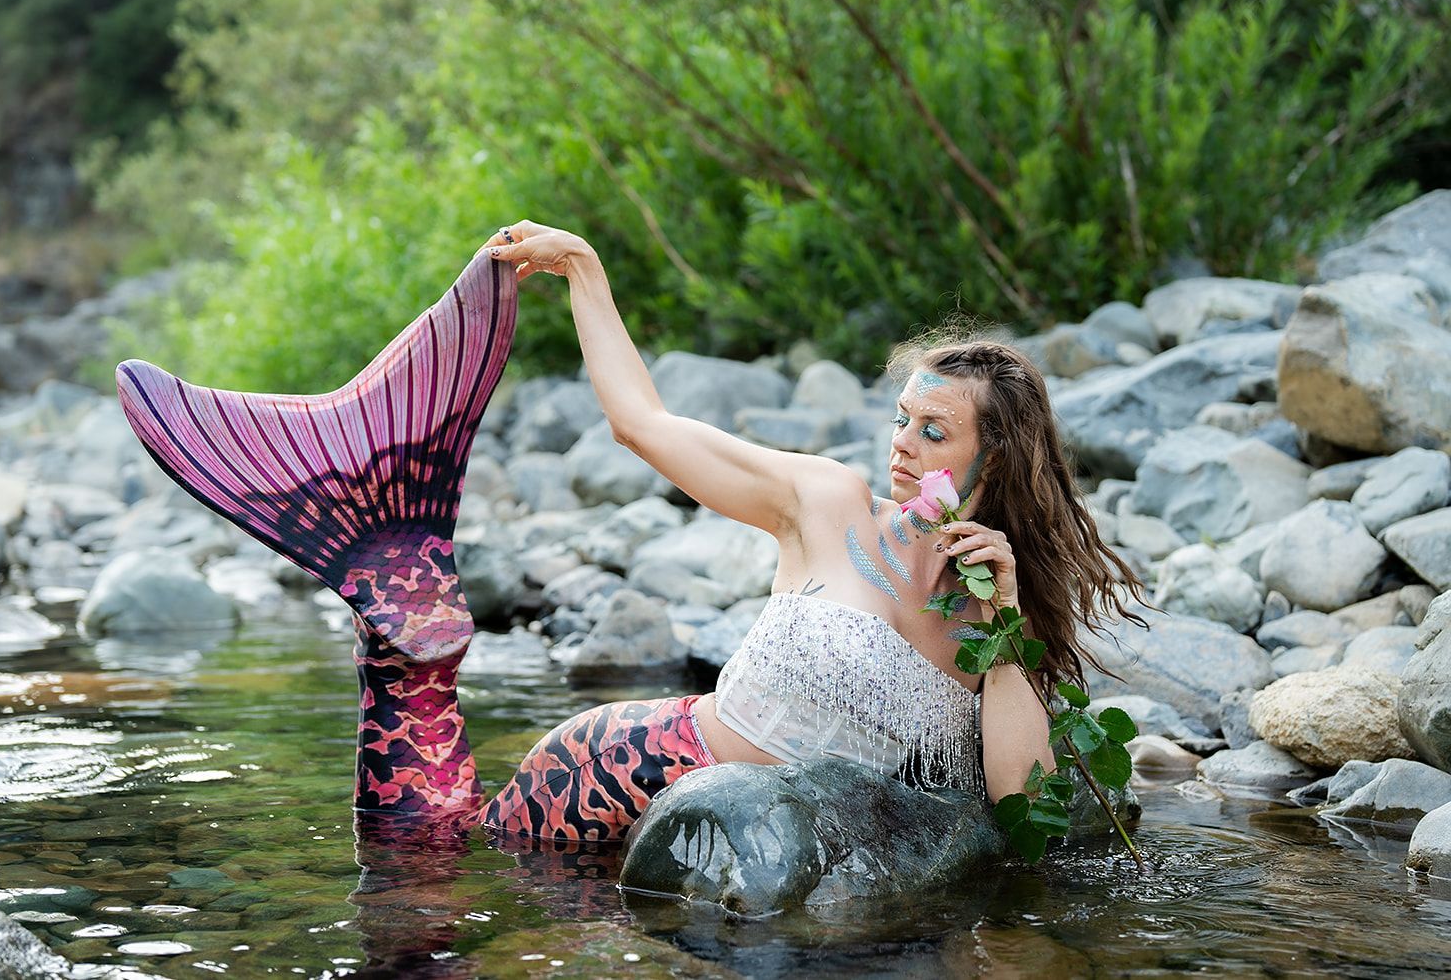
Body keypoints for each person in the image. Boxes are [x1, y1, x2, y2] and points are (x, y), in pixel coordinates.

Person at [115, 218, 1147, 844]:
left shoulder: (993, 626)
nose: (903, 448)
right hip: (620, 772)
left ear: (996, 461)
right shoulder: (824, 501)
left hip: (748, 852)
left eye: (934, 431)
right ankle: (393, 590)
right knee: (426, 877)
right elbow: (643, 424)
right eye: (901, 420)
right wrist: (587, 273)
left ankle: (396, 581)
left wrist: (1007, 621)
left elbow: (1022, 810)